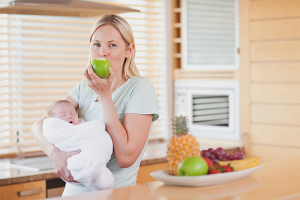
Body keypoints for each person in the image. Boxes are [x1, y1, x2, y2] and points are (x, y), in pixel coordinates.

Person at [31, 14, 159, 197]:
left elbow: (126, 158)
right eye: (96, 44)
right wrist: (54, 153)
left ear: (129, 50)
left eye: (112, 45)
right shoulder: (85, 87)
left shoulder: (140, 88)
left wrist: (105, 95)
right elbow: (38, 126)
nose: (102, 52)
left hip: (115, 194)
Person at [43, 100, 114, 191]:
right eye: (62, 116)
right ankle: (93, 174)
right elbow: (55, 137)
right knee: (78, 165)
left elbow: (94, 133)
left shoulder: (83, 126)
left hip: (92, 149)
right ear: (54, 121)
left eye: (73, 113)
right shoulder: (57, 131)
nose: (69, 116)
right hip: (75, 159)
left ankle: (95, 173)